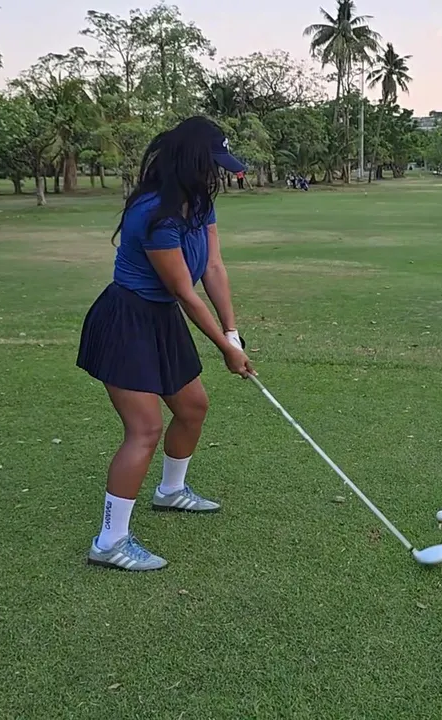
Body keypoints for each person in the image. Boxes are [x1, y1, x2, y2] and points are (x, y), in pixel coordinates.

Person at [76, 116, 255, 572]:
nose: (215, 173)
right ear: (190, 161)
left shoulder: (200, 203)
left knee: (193, 407)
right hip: (127, 320)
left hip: (161, 319)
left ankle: (171, 491)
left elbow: (212, 267)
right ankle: (109, 542)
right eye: (211, 164)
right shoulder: (154, 214)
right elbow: (183, 291)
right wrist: (225, 351)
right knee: (144, 429)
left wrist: (232, 332)